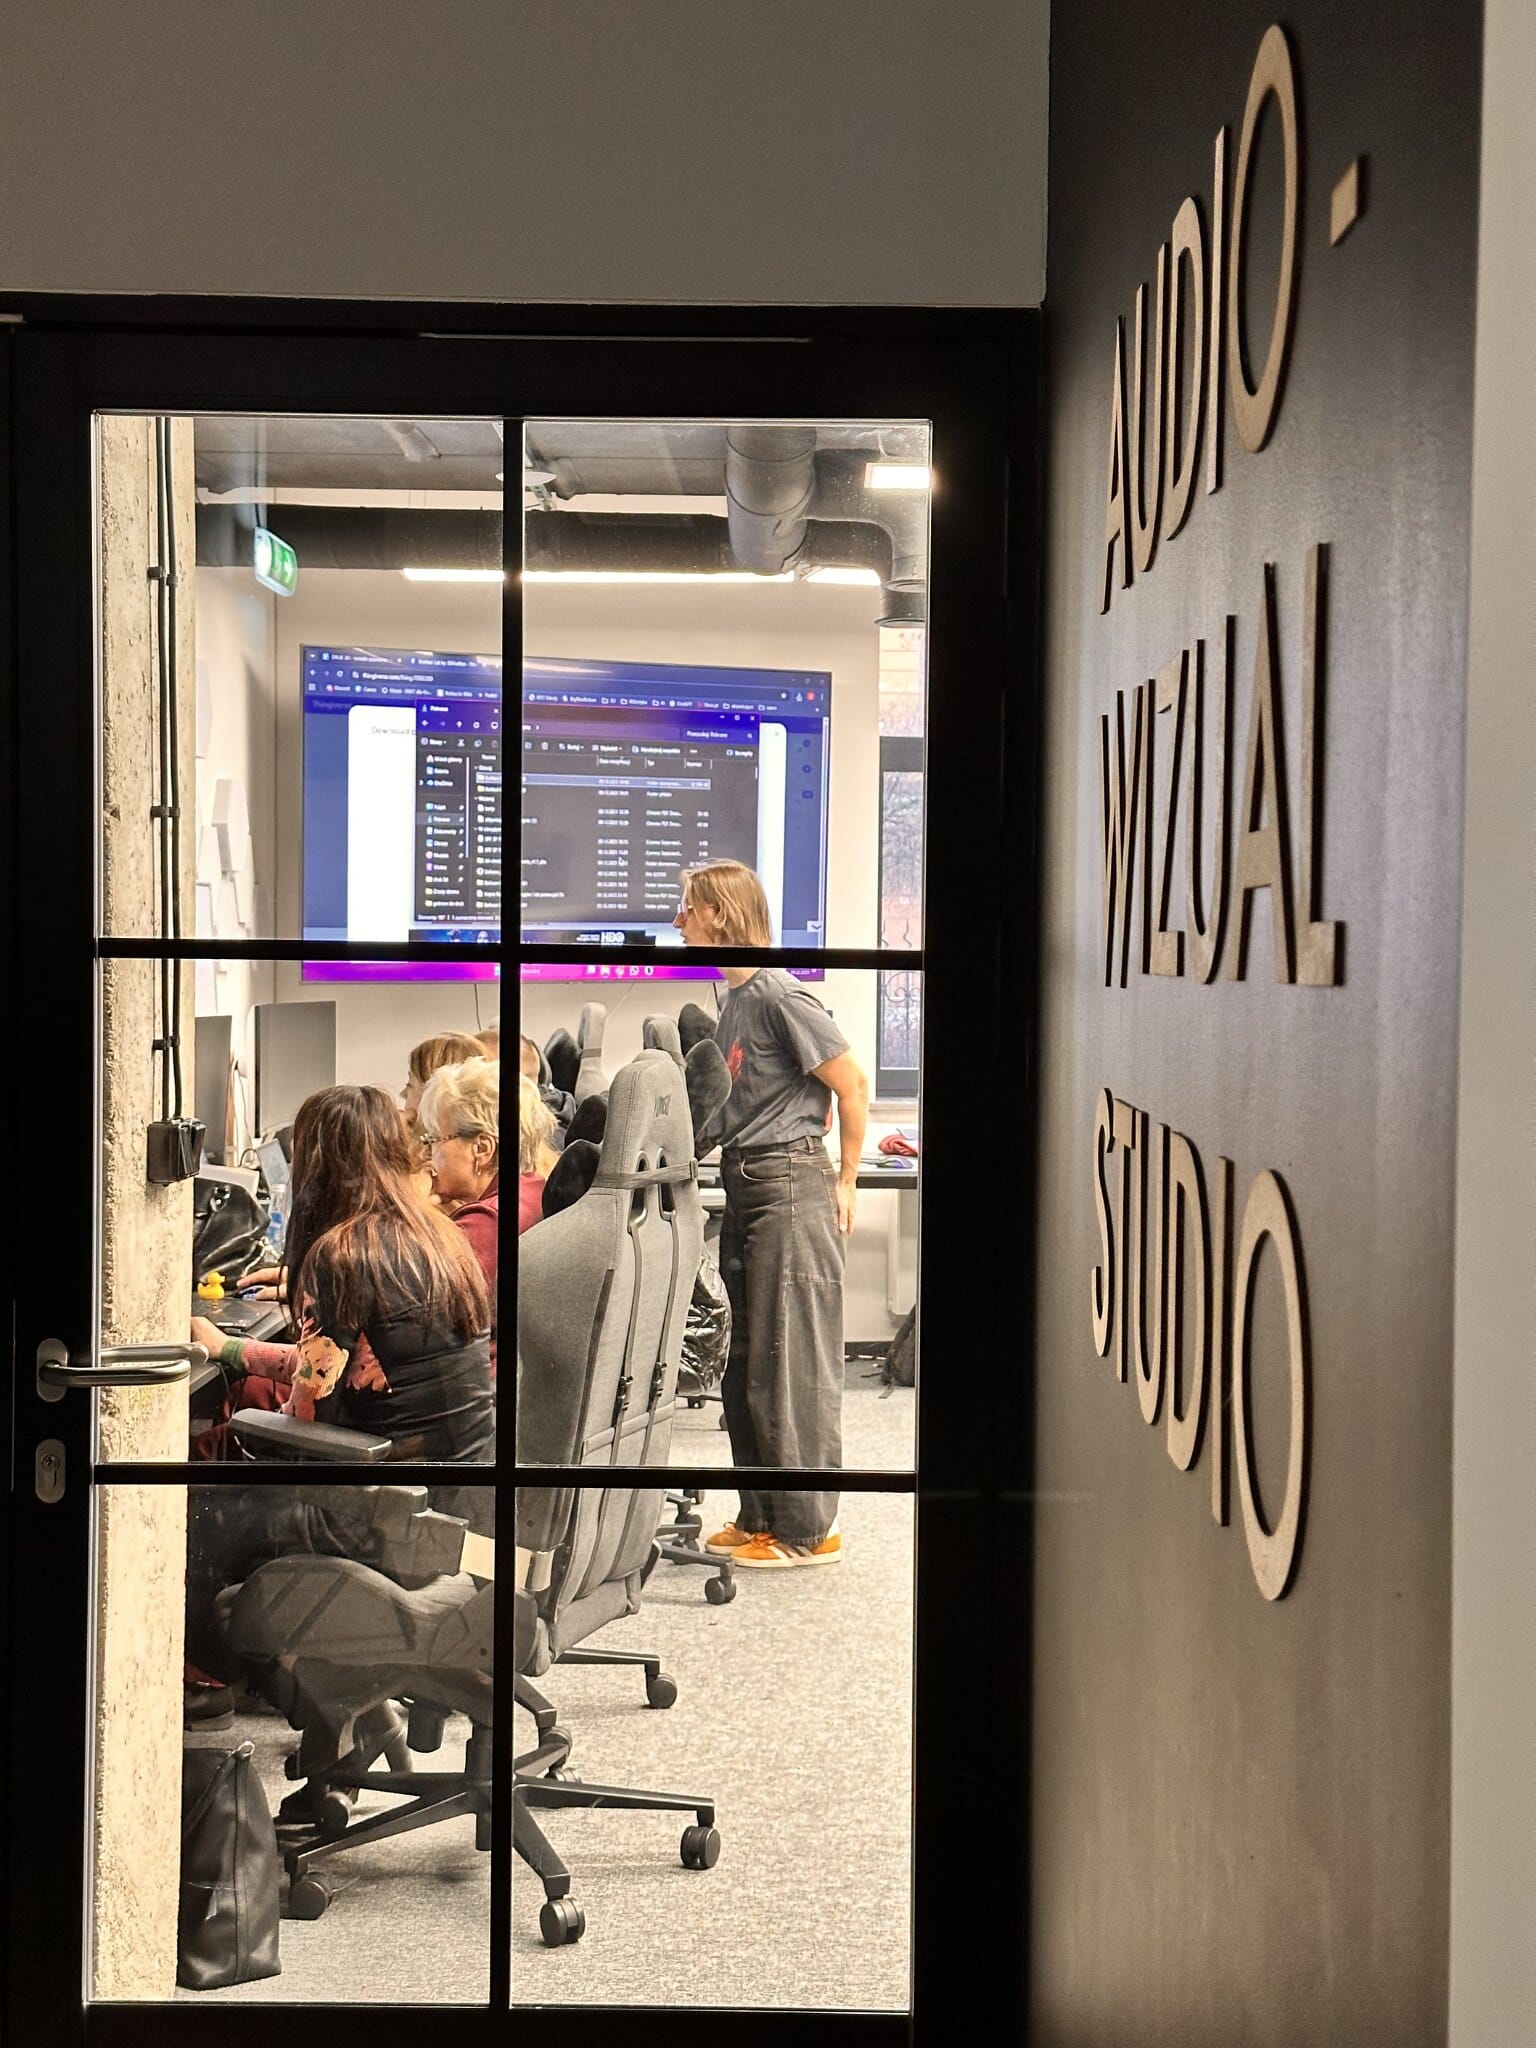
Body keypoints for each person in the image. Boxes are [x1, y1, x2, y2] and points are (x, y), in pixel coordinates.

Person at [673, 859, 868, 1568]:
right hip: (749, 1185)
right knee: (748, 1363)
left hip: (789, 1185)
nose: (678, 920)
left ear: (719, 915)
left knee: (791, 1364)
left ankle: (808, 1531)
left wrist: (847, 1178)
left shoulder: (782, 993)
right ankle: (760, 1515)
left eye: (687, 908)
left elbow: (852, 1083)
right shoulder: (737, 1001)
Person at [194, 1083, 494, 1462]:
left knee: (197, 1450)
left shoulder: (344, 1257)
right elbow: (329, 1364)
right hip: (461, 1474)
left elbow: (306, 1421)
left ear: (317, 1169)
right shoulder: (441, 1234)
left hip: (383, 1485)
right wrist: (230, 1349)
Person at [417, 1054, 503, 1370]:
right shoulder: (529, 1187)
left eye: (434, 1140)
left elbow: (416, 1318)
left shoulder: (485, 1224)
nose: (426, 1154)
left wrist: (413, 1210)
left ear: (481, 1149)